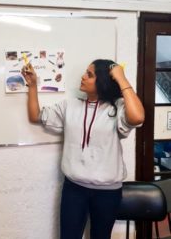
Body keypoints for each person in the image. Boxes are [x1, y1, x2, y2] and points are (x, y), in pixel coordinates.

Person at [21, 59, 145, 239]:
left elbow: (138, 117)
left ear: (102, 80)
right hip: (74, 189)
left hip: (108, 193)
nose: (83, 77)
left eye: (89, 74)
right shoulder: (69, 105)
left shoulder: (117, 107)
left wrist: (121, 78)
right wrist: (32, 86)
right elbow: (36, 116)